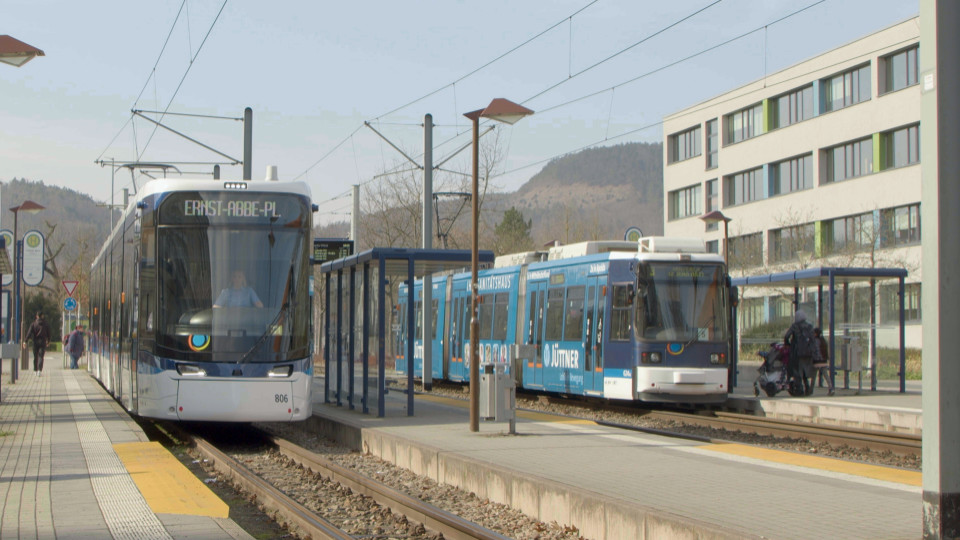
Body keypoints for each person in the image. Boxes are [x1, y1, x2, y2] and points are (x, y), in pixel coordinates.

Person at [783, 310, 815, 396]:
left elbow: (787, 336)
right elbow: (813, 339)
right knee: (804, 370)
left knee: (797, 371)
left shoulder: (795, 326)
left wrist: (787, 344)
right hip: (808, 353)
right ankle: (807, 388)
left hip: (797, 352)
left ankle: (800, 390)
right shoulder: (810, 326)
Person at [23, 311, 51, 376]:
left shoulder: (33, 324)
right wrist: (48, 341)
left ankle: (35, 370)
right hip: (43, 342)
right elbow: (49, 333)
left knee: (35, 356)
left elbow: (29, 333)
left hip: (35, 341)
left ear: (37, 316)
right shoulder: (46, 324)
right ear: (42, 316)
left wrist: (25, 341)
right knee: (41, 356)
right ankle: (39, 370)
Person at [812, 327, 836, 396]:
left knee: (813, 376)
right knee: (826, 375)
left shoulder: (815, 341)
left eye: (814, 333)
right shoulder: (823, 341)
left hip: (817, 361)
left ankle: (810, 390)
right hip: (824, 361)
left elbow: (815, 351)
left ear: (816, 334)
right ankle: (831, 388)